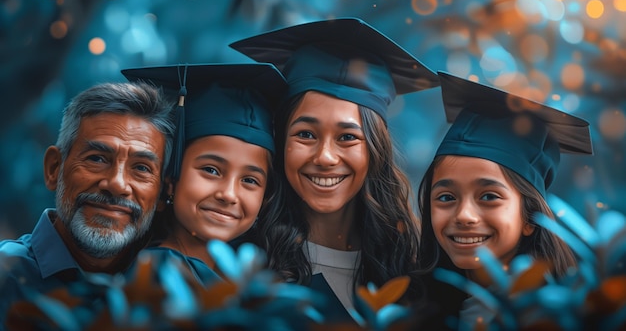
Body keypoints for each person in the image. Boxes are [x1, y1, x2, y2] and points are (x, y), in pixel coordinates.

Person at [229, 17, 440, 323]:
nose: (325, 157)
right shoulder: (241, 266)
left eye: (347, 137)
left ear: (375, 150)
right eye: (305, 134)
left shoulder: (412, 270)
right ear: (280, 140)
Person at [417, 71, 593, 330]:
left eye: (489, 196)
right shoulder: (413, 310)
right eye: (446, 197)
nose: (464, 215)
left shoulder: (568, 315)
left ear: (530, 218)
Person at [0, 82, 175, 327]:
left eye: (141, 168)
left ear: (162, 194)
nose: (117, 184)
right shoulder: (5, 274)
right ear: (54, 169)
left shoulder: (173, 290)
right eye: (97, 158)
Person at [122, 63, 286, 285]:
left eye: (249, 180)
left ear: (265, 197)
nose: (228, 194)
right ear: (170, 178)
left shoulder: (247, 279)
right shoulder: (156, 275)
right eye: (211, 170)